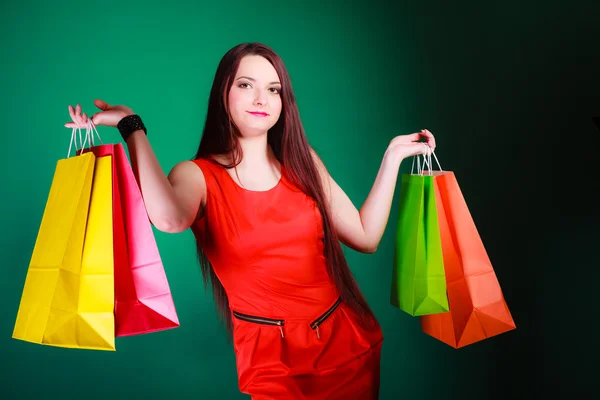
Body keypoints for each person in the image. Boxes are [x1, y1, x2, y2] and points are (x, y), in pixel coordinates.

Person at [65, 42, 436, 400]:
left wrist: (393, 155)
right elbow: (169, 219)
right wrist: (132, 127)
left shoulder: (302, 161)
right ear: (223, 95)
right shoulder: (198, 175)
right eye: (246, 85)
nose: (262, 99)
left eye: (273, 89)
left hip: (346, 346)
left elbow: (366, 237)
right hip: (270, 360)